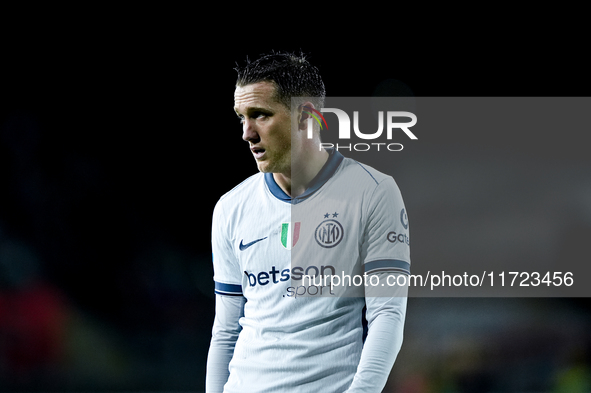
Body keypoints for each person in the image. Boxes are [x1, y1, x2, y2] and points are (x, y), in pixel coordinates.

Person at [206, 51, 410, 393]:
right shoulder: (230, 208)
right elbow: (225, 330)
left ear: (306, 116)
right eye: (241, 117)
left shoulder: (373, 193)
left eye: (260, 116)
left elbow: (387, 315)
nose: (246, 133)